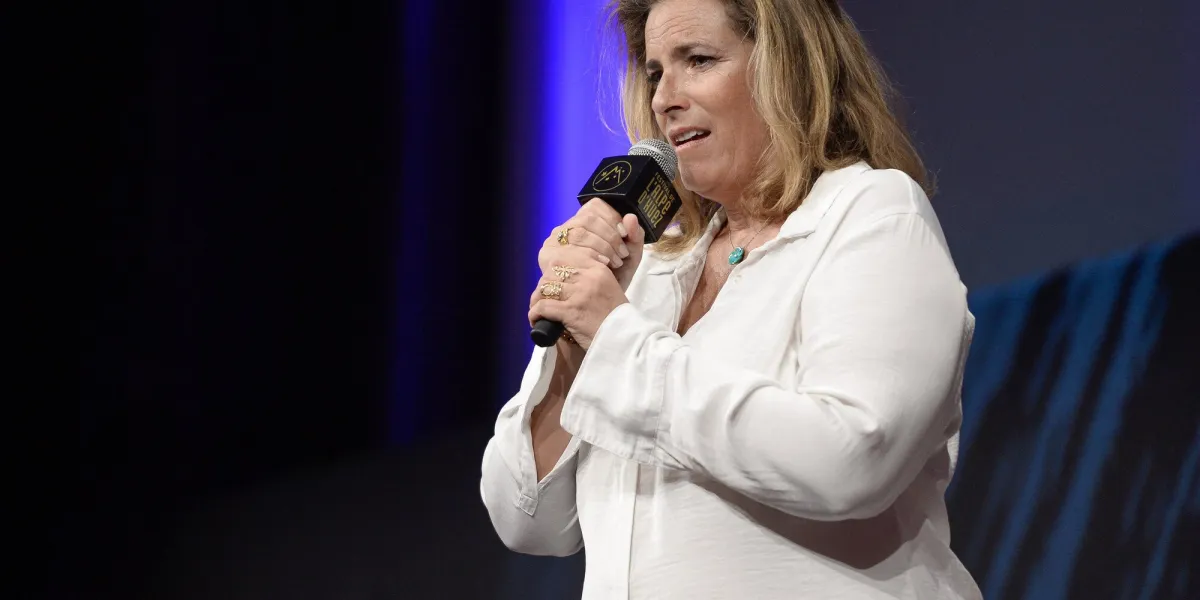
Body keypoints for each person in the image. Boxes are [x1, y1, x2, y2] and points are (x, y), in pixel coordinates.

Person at [481, 0, 982, 597]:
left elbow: (853, 457)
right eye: (655, 71)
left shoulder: (868, 212)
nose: (666, 96)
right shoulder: (647, 275)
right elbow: (527, 520)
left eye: (698, 60)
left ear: (787, 70)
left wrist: (616, 339)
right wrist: (575, 346)